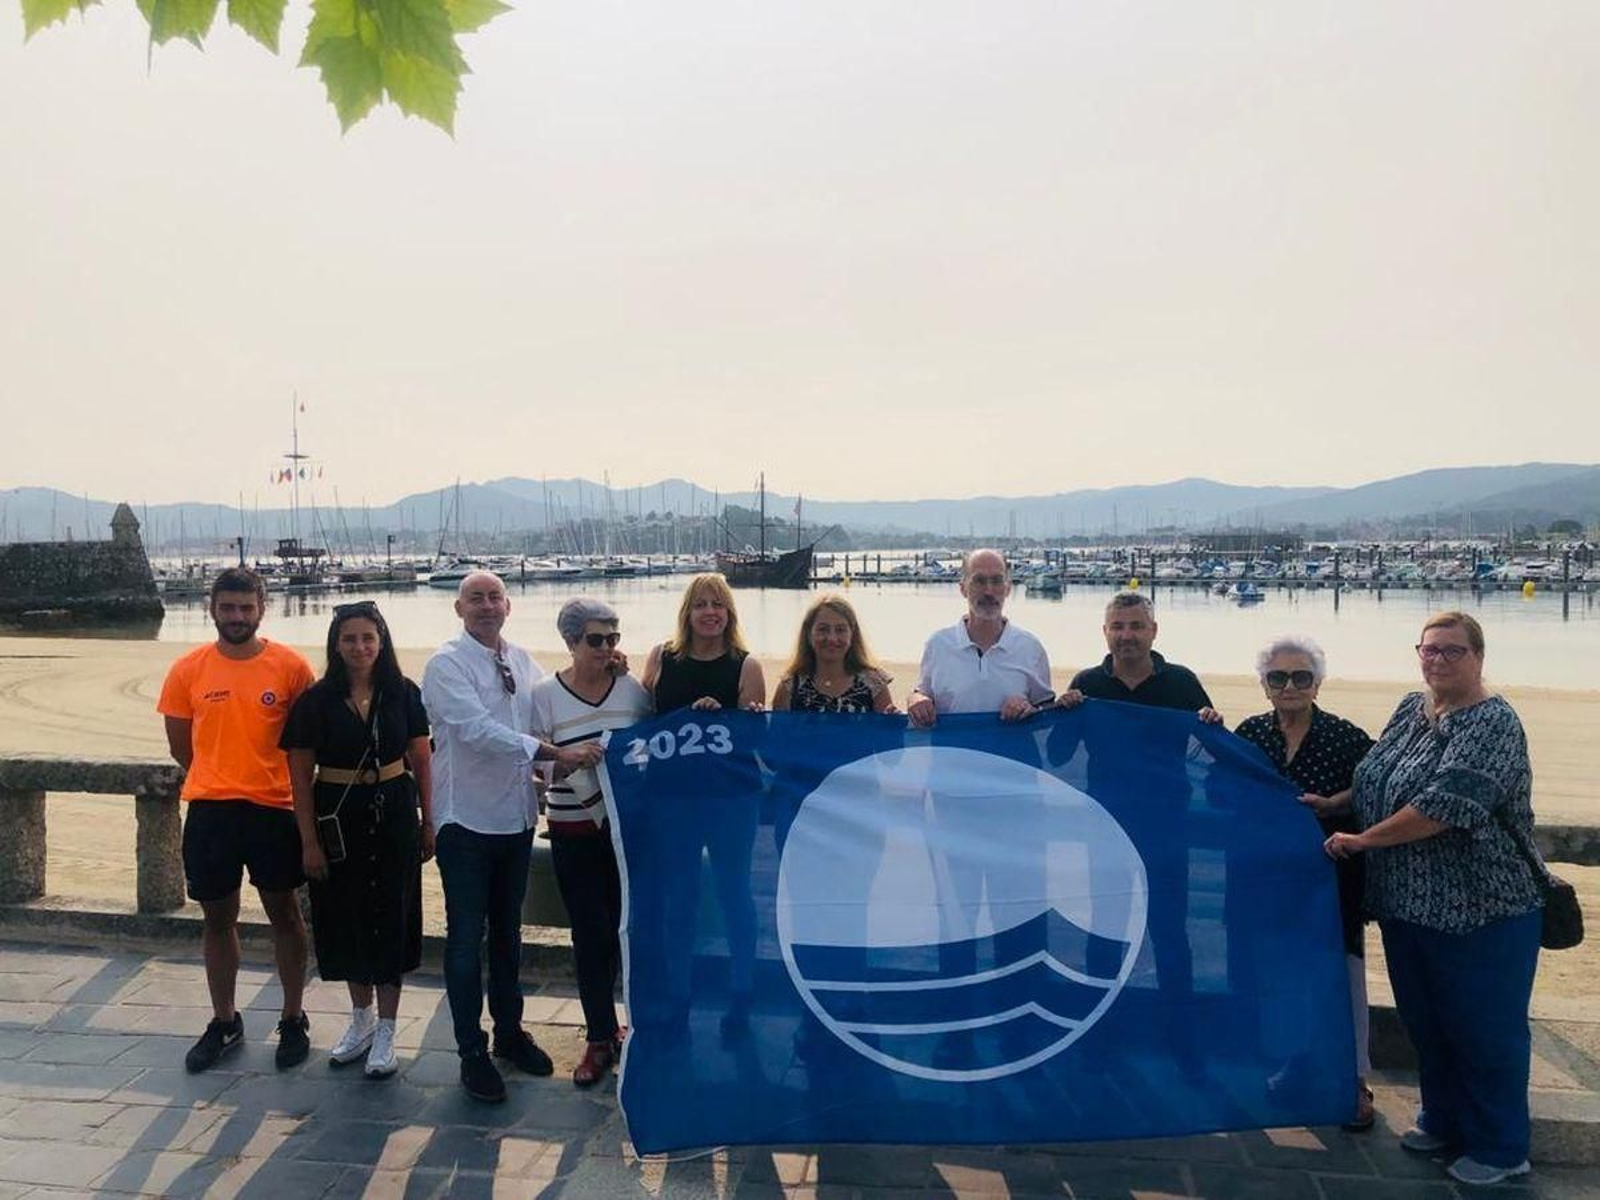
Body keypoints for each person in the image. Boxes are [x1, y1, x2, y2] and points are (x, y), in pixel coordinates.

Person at [1327, 613, 1544, 1187]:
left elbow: (1446, 805)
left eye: (1453, 651)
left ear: (1478, 656)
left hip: (1482, 909)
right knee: (1429, 1024)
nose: (1439, 660)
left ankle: (1500, 1147)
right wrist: (1336, 803)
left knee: (1485, 1031)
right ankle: (1443, 1118)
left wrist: (1362, 839)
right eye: (1430, 650)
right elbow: (1379, 774)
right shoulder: (1410, 708)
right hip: (1406, 905)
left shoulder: (1492, 722)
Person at [422, 571, 604, 1103]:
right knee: (464, 941)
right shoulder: (445, 664)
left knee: (508, 934)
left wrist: (599, 670)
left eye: (493, 597)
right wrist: (553, 756)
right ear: (459, 608)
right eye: (474, 598)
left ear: (508, 605)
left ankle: (509, 1032)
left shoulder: (523, 662)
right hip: (464, 821)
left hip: (517, 819)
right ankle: (470, 1052)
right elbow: (477, 730)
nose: (485, 606)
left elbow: (546, 720)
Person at [157, 567, 316, 1073]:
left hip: (274, 810)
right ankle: (224, 1020)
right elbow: (182, 746)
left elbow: (306, 744)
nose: (237, 617)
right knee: (217, 919)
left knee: (285, 916)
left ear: (262, 608)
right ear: (212, 609)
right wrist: (219, 778)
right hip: (211, 810)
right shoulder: (188, 669)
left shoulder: (291, 668)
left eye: (246, 608)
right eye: (227, 608)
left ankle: (293, 1017)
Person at [1059, 589, 1217, 1079]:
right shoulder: (1088, 684)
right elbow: (1061, 753)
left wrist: (1212, 723)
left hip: (1167, 830)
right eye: (1118, 627)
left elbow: (1212, 750)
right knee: (1104, 937)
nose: (1127, 635)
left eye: (1135, 626)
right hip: (1106, 832)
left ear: (1153, 631)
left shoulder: (1182, 683)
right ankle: (1097, 1040)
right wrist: (1065, 710)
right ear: (1105, 633)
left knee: (1170, 936)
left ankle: (1184, 1045)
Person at [282, 601, 433, 1078]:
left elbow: (423, 760)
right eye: (349, 639)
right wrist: (308, 840)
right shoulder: (315, 701)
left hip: (393, 812)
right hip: (338, 816)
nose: (359, 647)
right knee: (344, 914)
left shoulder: (403, 693)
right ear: (336, 644)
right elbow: (300, 777)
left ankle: (388, 1026)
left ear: (382, 641)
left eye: (368, 638)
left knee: (394, 913)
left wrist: (429, 820)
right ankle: (361, 1019)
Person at [1234, 635, 1375, 1130]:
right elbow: (1220, 785)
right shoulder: (1250, 734)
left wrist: (1335, 804)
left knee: (1342, 978)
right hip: (1270, 882)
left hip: (1331, 881)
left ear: (1317, 683)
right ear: (1264, 685)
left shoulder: (1343, 736)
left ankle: (1355, 1081)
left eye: (1300, 677)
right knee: (1285, 980)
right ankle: (1295, 1067)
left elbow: (1377, 784)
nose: (1289, 686)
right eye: (1278, 677)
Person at [529, 598, 650, 1087]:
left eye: (613, 638)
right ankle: (599, 1035)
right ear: (571, 642)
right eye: (596, 639)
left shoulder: (632, 690)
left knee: (630, 932)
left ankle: (639, 1029)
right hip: (572, 827)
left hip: (628, 831)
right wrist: (566, 759)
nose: (606, 648)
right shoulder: (544, 694)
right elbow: (533, 760)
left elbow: (654, 745)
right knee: (590, 933)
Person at [641, 573, 767, 1033]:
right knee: (681, 897)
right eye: (701, 605)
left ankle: (742, 990)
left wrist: (732, 718)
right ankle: (679, 993)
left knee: (735, 893)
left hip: (732, 799)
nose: (710, 612)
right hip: (671, 797)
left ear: (729, 613)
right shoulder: (662, 657)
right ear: (687, 613)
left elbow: (757, 737)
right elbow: (641, 718)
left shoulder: (745, 665)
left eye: (719, 604)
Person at [905, 549, 1053, 727]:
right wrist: (916, 700)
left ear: (1007, 589)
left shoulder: (1030, 648)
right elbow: (922, 694)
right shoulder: (938, 644)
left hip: (1009, 755)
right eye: (979, 581)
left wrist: (1027, 709)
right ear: (963, 588)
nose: (988, 591)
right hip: (951, 754)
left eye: (997, 581)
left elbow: (1047, 715)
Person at [771, 593, 896, 714]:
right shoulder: (791, 686)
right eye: (823, 629)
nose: (832, 638)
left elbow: (889, 734)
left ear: (852, 634)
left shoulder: (874, 683)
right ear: (809, 633)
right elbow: (775, 734)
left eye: (840, 630)